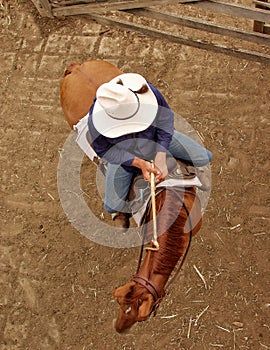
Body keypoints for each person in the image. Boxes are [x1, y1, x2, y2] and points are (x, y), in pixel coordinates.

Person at [88, 73, 212, 230]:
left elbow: (166, 121)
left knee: (203, 157)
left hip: (157, 141)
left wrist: (160, 154)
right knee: (112, 204)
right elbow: (103, 149)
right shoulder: (95, 119)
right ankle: (119, 213)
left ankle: (197, 169)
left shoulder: (150, 94)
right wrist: (138, 162)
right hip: (127, 156)